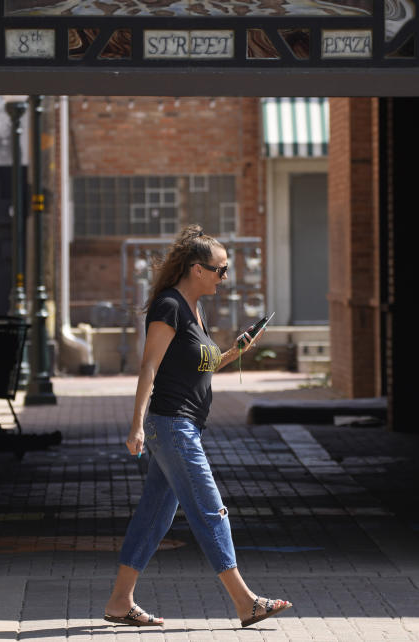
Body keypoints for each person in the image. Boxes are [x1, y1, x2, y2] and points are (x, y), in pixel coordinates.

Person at [103, 224, 292, 628]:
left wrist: (233, 351)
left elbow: (199, 369)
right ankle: (246, 602)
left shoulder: (195, 309)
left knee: (155, 516)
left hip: (183, 425)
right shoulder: (169, 306)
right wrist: (136, 426)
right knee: (211, 510)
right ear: (196, 270)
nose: (226, 278)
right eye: (220, 270)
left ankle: (120, 601)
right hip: (172, 427)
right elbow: (149, 366)